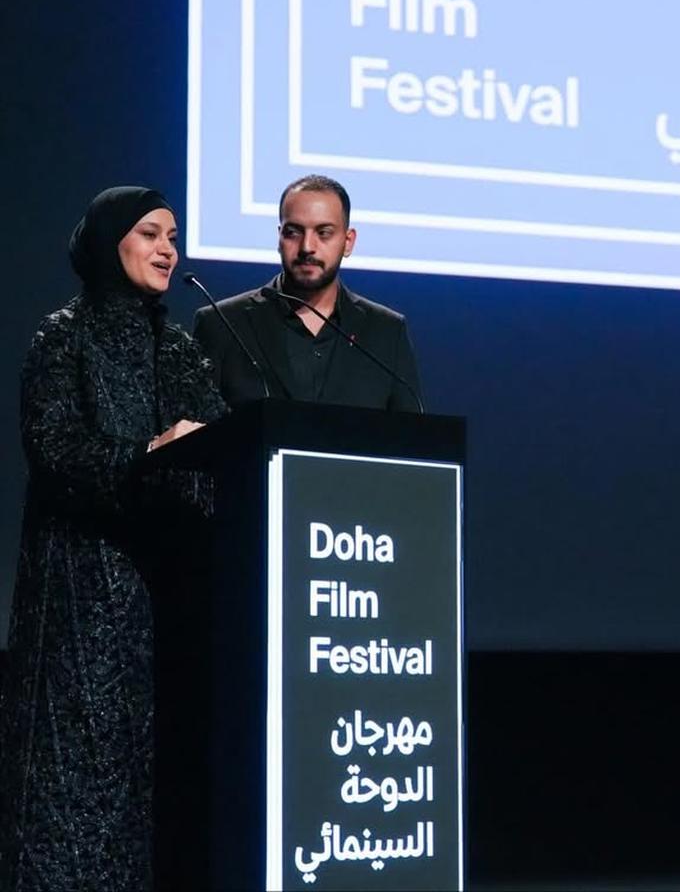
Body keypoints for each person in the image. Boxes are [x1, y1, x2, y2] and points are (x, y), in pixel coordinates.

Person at [0, 187, 227, 891]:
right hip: (78, 595)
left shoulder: (180, 347)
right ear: (108, 241)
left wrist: (203, 456)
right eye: (151, 232)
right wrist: (151, 454)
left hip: (164, 599)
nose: (169, 249)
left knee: (149, 796)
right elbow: (57, 447)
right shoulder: (62, 336)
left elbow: (220, 448)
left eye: (175, 235)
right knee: (71, 790)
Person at [193, 174, 424, 411]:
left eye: (323, 233)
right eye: (293, 232)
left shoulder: (386, 331)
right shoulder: (221, 323)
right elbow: (195, 435)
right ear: (279, 237)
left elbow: (410, 440)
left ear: (348, 242)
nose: (307, 247)